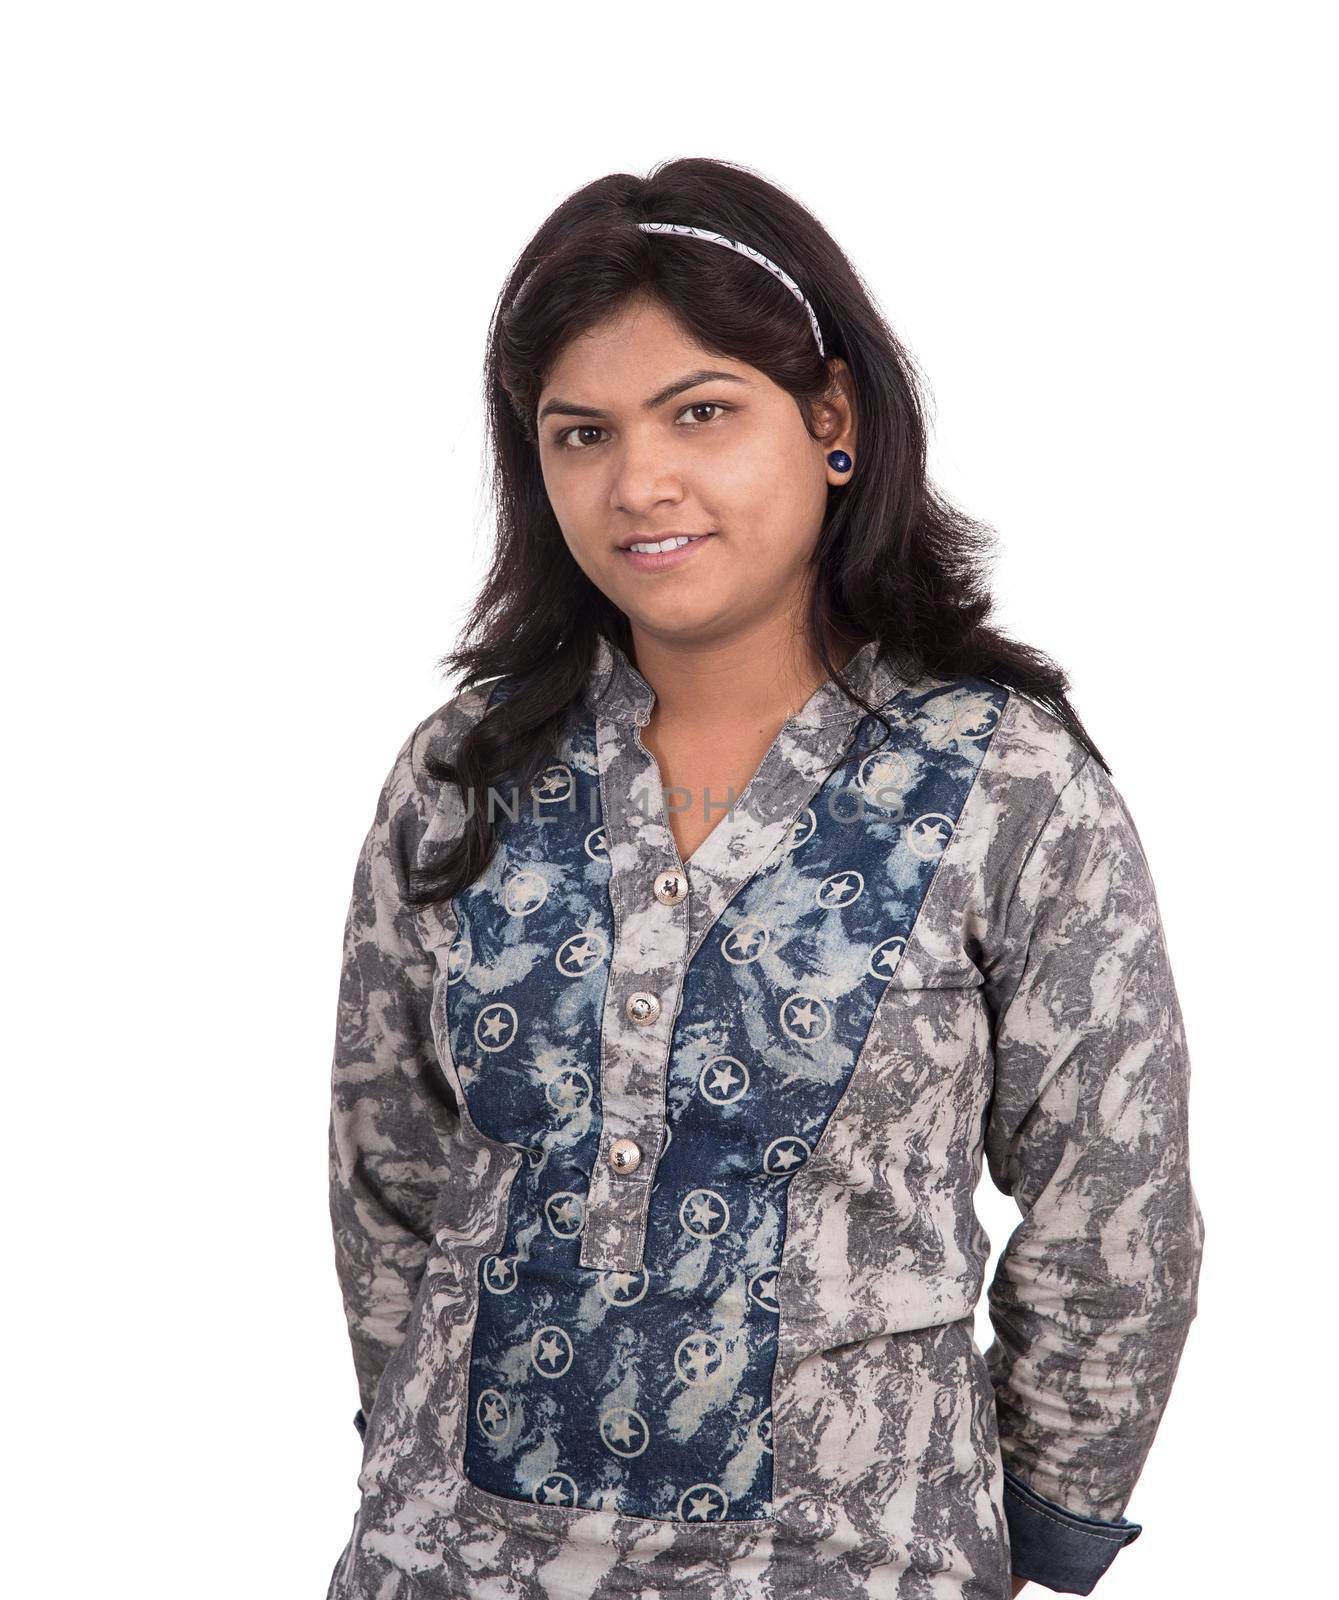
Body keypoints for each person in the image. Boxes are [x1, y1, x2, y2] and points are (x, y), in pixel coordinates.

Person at [324, 157, 1204, 1600]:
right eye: (581, 433)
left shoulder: (1006, 782)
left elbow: (1119, 1204)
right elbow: (388, 1178)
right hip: (450, 1560)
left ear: (833, 419)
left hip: (855, 1565)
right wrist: (406, 1442)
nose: (639, 482)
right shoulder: (464, 773)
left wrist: (1035, 1514)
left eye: (703, 412)